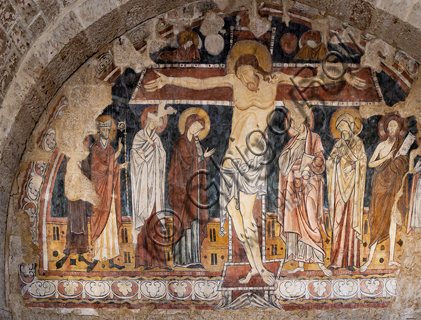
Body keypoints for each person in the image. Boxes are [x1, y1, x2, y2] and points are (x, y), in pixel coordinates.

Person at [145, 40, 366, 285]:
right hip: (231, 159)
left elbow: (308, 82)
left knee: (247, 218)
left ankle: (259, 267)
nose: (244, 78)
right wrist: (168, 80)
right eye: (239, 74)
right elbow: (201, 83)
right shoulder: (234, 81)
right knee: (232, 211)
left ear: (256, 68)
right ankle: (256, 265)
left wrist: (343, 75)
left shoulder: (274, 81)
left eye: (246, 73)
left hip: (253, 160)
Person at [277, 101, 331, 276]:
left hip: (309, 185)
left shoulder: (314, 138)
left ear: (305, 120)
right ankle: (300, 262)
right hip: (293, 185)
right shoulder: (291, 142)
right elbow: (283, 166)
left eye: (298, 118)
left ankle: (320, 260)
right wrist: (290, 158)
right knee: (295, 224)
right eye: (293, 120)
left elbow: (321, 161)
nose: (295, 122)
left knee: (311, 220)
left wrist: (310, 165)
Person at [360, 113, 409, 272]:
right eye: (391, 126)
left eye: (396, 126)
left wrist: (399, 161)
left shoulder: (401, 146)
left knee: (393, 220)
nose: (393, 128)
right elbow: (371, 163)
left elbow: (405, 165)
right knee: (377, 220)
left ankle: (392, 259)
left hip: (394, 186)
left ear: (399, 128)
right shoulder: (381, 146)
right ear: (386, 128)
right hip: (380, 185)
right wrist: (386, 158)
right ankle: (369, 259)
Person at [130, 103, 176, 269]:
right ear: (149, 121)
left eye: (159, 123)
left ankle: (159, 261)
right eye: (155, 122)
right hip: (143, 186)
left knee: (156, 222)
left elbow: (162, 157)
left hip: (155, 187)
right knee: (146, 222)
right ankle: (144, 261)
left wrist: (155, 148)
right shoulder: (139, 137)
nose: (157, 125)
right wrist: (149, 147)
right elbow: (136, 158)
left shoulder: (156, 139)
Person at [168, 108, 215, 268]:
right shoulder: (181, 142)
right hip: (182, 191)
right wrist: (202, 157)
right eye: (195, 126)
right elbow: (186, 162)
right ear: (188, 124)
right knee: (183, 222)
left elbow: (198, 165)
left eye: (199, 129)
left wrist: (203, 158)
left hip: (195, 191)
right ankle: (181, 260)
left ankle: (193, 259)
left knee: (195, 221)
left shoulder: (197, 144)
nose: (197, 130)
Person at [326, 108, 366, 271]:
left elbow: (362, 162)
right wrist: (335, 161)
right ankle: (336, 260)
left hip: (353, 190)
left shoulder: (358, 143)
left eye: (345, 128)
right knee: (338, 223)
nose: (343, 132)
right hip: (338, 189)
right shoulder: (337, 145)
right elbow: (329, 163)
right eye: (340, 129)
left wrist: (351, 159)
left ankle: (352, 260)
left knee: (350, 222)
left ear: (351, 127)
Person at [88, 115, 127, 272]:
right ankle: (97, 257)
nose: (105, 132)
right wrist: (119, 152)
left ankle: (111, 258)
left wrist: (120, 166)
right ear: (98, 131)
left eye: (107, 129)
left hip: (110, 193)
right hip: (100, 192)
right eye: (103, 129)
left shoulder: (110, 149)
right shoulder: (96, 149)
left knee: (110, 222)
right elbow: (99, 169)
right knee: (100, 220)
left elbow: (112, 167)